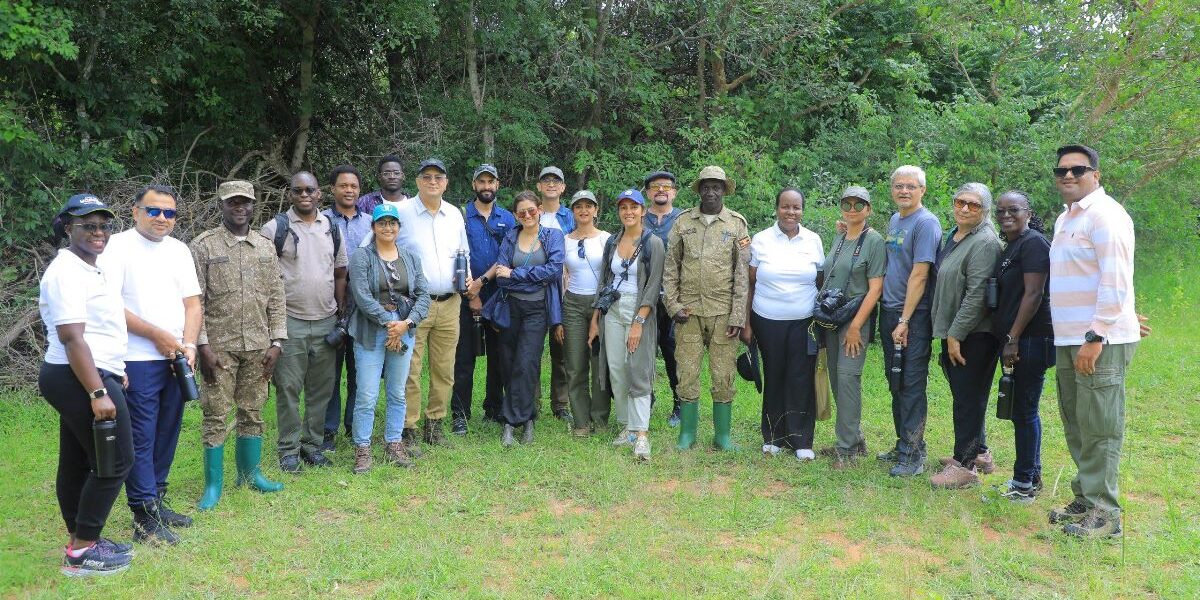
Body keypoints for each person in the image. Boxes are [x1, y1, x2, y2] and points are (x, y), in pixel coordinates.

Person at [99, 184, 201, 545]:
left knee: (167, 431)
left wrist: (188, 344)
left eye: (169, 213)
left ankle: (157, 498)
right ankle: (143, 514)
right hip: (135, 358)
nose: (162, 219)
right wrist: (156, 334)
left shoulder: (179, 250)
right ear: (135, 211)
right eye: (154, 211)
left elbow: (193, 304)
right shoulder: (116, 248)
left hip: (175, 357)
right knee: (141, 435)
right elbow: (110, 306)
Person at [39, 194, 135, 576]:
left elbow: (98, 329)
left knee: (79, 460)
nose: (98, 232)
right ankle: (81, 553)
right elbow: (72, 337)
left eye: (103, 225)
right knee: (116, 461)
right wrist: (98, 390)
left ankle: (81, 537)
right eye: (87, 225)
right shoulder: (65, 272)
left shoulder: (90, 268)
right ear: (67, 228)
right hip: (76, 376)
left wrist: (114, 368)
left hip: (91, 371)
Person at [1047, 144, 1139, 538]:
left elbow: (1115, 278)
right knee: (1077, 422)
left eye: (1078, 170)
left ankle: (1106, 515)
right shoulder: (1065, 219)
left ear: (1095, 175)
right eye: (1062, 170)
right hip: (1070, 338)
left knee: (1100, 426)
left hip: (1095, 341)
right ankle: (1085, 499)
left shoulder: (1106, 215)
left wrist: (1098, 333)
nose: (1068, 176)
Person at [191, 181, 287, 511]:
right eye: (233, 202)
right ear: (221, 205)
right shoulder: (204, 246)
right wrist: (201, 346)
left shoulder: (265, 246)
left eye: (245, 202)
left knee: (254, 410)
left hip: (259, 345)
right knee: (216, 414)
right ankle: (213, 485)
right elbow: (195, 301)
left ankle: (250, 475)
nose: (240, 208)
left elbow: (276, 297)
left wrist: (277, 341)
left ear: (253, 204)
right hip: (219, 348)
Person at [261, 171, 349, 473]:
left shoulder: (332, 227)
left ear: (319, 194)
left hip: (326, 319)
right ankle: (288, 449)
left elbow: (340, 273)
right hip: (290, 322)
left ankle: (312, 446)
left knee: (321, 389)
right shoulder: (274, 228)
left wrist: (341, 312)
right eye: (298, 191)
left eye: (309, 190)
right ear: (290, 194)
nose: (304, 196)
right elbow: (264, 279)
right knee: (287, 387)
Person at [663, 166, 750, 451]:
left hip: (724, 313)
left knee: (723, 374)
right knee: (687, 372)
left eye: (717, 186)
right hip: (688, 313)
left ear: (724, 190)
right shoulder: (683, 222)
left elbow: (741, 274)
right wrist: (673, 304)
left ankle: (722, 436)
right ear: (699, 189)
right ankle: (687, 434)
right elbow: (670, 266)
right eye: (706, 186)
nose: (711, 191)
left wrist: (738, 315)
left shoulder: (736, 224)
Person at [742, 186, 825, 461]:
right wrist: (746, 323)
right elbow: (750, 283)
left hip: (804, 322)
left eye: (796, 207)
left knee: (801, 377)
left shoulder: (813, 240)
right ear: (777, 208)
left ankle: (801, 439)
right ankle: (774, 436)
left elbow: (820, 281)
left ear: (803, 210)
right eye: (785, 206)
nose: (791, 212)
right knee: (775, 375)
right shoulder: (762, 239)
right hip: (767, 320)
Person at [928, 183, 1002, 489]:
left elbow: (977, 295)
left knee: (968, 400)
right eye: (960, 202)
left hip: (975, 335)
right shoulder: (957, 235)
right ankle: (980, 453)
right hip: (957, 331)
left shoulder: (984, 241)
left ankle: (965, 466)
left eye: (973, 204)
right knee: (966, 395)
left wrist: (956, 334)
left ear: (984, 210)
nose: (965, 208)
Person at [348, 204, 432, 473]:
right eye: (382, 223)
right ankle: (362, 448)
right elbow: (361, 296)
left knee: (397, 392)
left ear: (399, 227)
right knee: (367, 394)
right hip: (370, 332)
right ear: (373, 227)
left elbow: (423, 294)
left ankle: (394, 443)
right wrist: (389, 324)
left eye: (392, 223)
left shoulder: (410, 257)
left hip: (404, 330)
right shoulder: (362, 256)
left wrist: (406, 324)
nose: (388, 228)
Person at [396, 159, 471, 452]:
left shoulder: (454, 214)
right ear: (416, 182)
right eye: (426, 176)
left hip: (450, 302)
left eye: (438, 177)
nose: (432, 181)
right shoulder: (401, 213)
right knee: (410, 369)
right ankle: (408, 428)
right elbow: (375, 247)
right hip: (414, 305)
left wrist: (469, 283)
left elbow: (463, 252)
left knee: (444, 368)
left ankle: (435, 425)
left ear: (446, 182)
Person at [878, 165, 943, 477]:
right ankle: (903, 443)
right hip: (890, 310)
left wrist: (904, 319)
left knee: (912, 384)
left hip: (912, 317)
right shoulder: (896, 219)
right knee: (896, 381)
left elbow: (920, 274)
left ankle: (913, 455)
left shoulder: (926, 223)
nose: (904, 191)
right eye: (899, 186)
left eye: (911, 187)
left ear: (922, 191)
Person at [486, 191, 565, 446]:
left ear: (540, 209)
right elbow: (499, 273)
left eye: (532, 210)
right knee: (508, 363)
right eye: (522, 212)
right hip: (510, 307)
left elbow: (553, 270)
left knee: (527, 363)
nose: (527, 215)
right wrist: (521, 275)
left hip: (536, 310)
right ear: (515, 215)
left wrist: (516, 274)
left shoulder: (553, 236)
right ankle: (528, 417)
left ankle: (510, 423)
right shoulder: (511, 236)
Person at [815, 186, 886, 469]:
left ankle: (846, 452)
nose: (853, 209)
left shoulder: (874, 241)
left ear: (869, 209)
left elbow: (875, 288)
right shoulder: (841, 236)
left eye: (859, 205)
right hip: (833, 320)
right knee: (836, 379)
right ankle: (854, 440)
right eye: (847, 203)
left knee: (847, 380)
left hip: (854, 321)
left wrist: (857, 326)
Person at [591, 189, 665, 460]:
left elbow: (654, 284)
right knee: (617, 369)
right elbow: (604, 281)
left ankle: (642, 432)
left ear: (643, 210)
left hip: (639, 310)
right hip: (612, 311)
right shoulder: (612, 241)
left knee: (638, 370)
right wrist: (595, 318)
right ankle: (627, 427)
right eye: (624, 207)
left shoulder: (653, 243)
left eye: (634, 207)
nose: (628, 212)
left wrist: (639, 322)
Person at [991, 190, 1054, 503]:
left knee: (1024, 411)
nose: (1006, 215)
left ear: (1028, 212)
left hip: (1031, 339)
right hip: (1018, 339)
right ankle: (1032, 475)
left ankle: (1022, 484)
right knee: (1022, 409)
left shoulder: (1033, 244)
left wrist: (1013, 337)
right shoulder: (1013, 245)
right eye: (1000, 210)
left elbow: (1034, 294)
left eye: (1013, 210)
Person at [451, 164, 516, 434]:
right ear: (474, 185)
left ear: (497, 185)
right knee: (464, 357)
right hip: (467, 296)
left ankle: (494, 408)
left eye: (491, 181)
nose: (486, 186)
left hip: (499, 295)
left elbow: (509, 255)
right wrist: (471, 291)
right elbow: (457, 253)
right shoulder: (461, 217)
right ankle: (460, 414)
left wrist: (482, 284)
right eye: (482, 182)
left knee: (499, 356)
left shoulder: (508, 218)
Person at [322, 165, 372, 451]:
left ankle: (355, 427)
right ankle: (327, 432)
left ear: (359, 189)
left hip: (363, 306)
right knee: (330, 373)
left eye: (353, 186)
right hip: (330, 305)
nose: (349, 190)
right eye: (343, 185)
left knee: (359, 371)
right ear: (333, 189)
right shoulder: (322, 221)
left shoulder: (370, 223)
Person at [562, 190, 611, 436]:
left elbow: (612, 277)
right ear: (573, 211)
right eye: (578, 206)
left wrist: (601, 308)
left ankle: (600, 419)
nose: (584, 210)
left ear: (595, 210)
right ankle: (581, 420)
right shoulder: (565, 240)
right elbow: (562, 275)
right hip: (571, 304)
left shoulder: (606, 239)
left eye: (588, 206)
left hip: (599, 303)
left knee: (598, 363)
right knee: (575, 363)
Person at [642, 171, 685, 426]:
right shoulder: (638, 216)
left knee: (672, 352)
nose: (661, 190)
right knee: (644, 351)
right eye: (655, 186)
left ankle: (679, 404)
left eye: (666, 186)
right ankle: (646, 398)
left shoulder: (683, 219)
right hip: (644, 294)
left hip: (673, 297)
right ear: (648, 192)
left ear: (674, 192)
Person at [535, 166, 575, 421]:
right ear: (539, 186)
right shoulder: (531, 212)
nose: (551, 184)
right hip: (535, 288)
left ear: (562, 187)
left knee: (561, 350)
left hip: (564, 289)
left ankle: (560, 405)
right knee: (533, 349)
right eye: (546, 180)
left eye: (556, 181)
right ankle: (532, 403)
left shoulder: (571, 216)